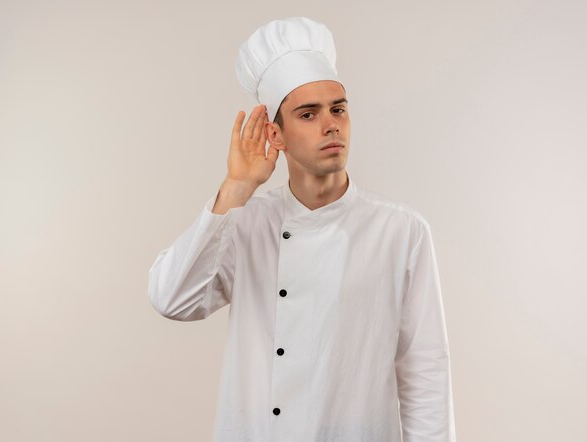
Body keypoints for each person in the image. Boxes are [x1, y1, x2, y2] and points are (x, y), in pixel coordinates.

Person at [148, 16, 456, 442]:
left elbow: (425, 373)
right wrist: (236, 187)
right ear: (276, 135)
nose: (331, 124)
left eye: (339, 109)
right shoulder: (245, 222)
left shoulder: (401, 231)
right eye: (308, 114)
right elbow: (172, 299)